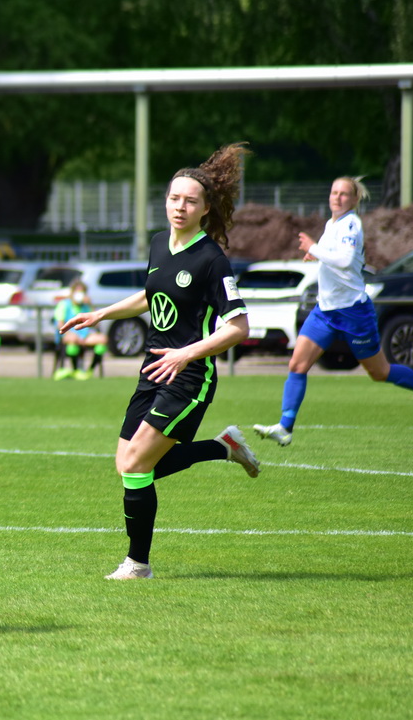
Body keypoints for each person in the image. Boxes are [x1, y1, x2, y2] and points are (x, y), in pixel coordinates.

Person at [60, 143, 262, 581]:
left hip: (189, 376)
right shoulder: (159, 243)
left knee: (136, 466)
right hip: (153, 370)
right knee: (128, 463)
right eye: (174, 198)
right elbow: (152, 296)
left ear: (206, 209)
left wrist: (187, 352)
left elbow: (239, 327)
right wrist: (102, 313)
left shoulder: (211, 260)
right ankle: (221, 447)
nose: (180, 206)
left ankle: (138, 564)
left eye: (190, 200)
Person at [253, 176, 413, 446]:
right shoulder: (331, 223)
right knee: (297, 364)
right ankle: (285, 427)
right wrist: (317, 253)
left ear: (355, 200)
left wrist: (313, 248)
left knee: (379, 372)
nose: (337, 197)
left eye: (344, 194)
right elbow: (335, 258)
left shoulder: (352, 224)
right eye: (334, 192)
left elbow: (345, 261)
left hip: (353, 313)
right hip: (325, 311)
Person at [52, 278, 107, 380]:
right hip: (68, 334)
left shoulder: (86, 306)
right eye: (77, 292)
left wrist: (90, 305)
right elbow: (59, 324)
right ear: (72, 292)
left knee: (102, 339)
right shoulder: (64, 304)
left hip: (83, 334)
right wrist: (71, 335)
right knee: (73, 340)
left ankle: (90, 371)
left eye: (82, 292)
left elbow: (96, 325)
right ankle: (76, 369)